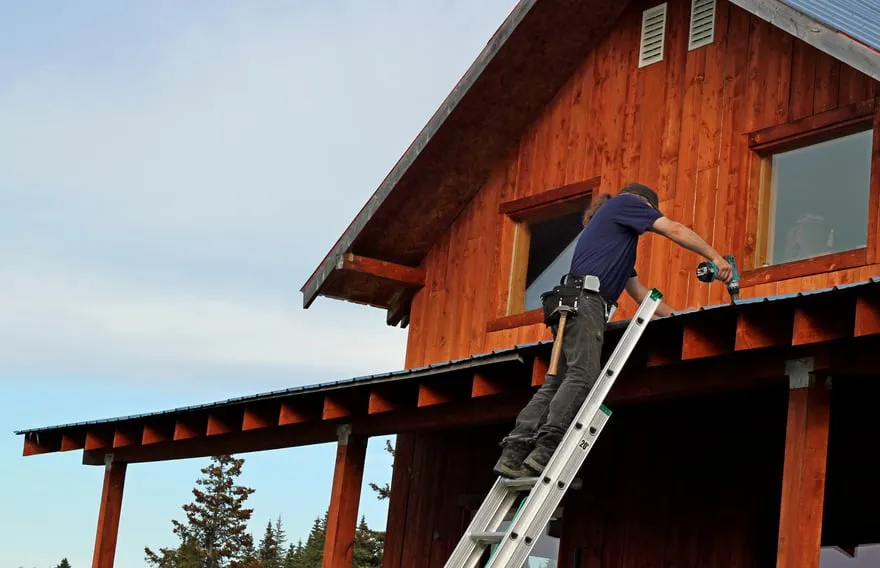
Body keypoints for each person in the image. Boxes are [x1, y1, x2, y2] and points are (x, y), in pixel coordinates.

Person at [493, 182, 732, 478]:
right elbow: (674, 229)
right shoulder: (626, 203)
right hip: (586, 302)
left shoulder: (614, 245)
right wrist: (716, 257)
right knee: (583, 376)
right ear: (645, 203)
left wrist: (680, 318)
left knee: (557, 381)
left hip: (569, 302)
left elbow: (641, 294)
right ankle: (546, 450)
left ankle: (514, 452)